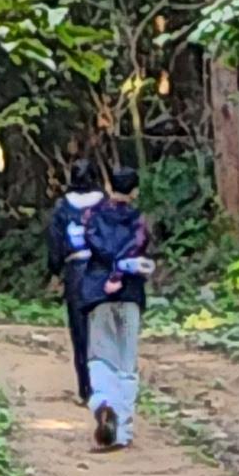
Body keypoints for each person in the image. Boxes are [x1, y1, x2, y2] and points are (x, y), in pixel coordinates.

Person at [79, 163, 152, 450]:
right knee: (126, 362)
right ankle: (122, 430)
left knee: (100, 355)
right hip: (130, 293)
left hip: (99, 294)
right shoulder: (139, 220)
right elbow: (137, 246)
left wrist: (109, 276)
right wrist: (121, 274)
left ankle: (102, 402)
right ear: (134, 191)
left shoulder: (93, 217)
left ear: (111, 187)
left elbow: (95, 246)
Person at [44, 157, 103, 403]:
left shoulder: (62, 207)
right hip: (101, 270)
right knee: (103, 331)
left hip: (76, 271)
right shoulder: (106, 204)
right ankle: (105, 386)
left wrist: (55, 270)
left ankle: (85, 388)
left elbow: (55, 243)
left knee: (80, 332)